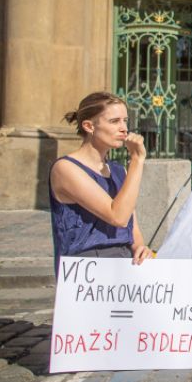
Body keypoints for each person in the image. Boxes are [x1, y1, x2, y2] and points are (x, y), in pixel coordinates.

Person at [49, 92, 154, 272]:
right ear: (89, 126)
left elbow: (130, 220)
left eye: (125, 120)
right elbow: (117, 217)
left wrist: (140, 247)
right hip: (85, 268)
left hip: (123, 262)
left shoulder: (118, 170)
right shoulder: (66, 168)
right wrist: (137, 160)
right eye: (114, 121)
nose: (124, 129)